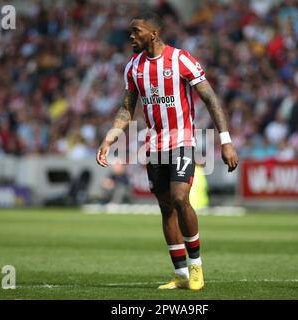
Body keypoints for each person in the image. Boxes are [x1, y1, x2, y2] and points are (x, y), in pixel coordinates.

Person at [96, 10, 238, 291]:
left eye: (136, 31)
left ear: (154, 33)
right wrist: (110, 137)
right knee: (165, 207)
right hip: (154, 145)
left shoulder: (180, 59)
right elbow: (127, 108)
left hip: (183, 140)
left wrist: (226, 140)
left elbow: (210, 98)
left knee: (180, 198)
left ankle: (196, 267)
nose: (131, 36)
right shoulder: (133, 67)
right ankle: (181, 274)